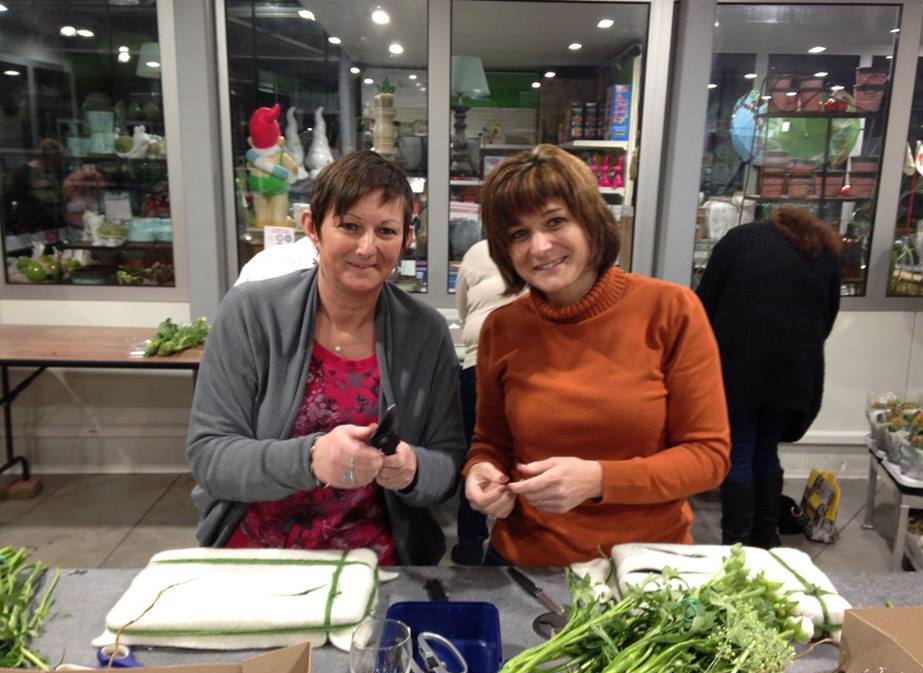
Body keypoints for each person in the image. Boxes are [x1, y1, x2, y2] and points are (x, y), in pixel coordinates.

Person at [188, 150, 465, 565]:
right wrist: (312, 458)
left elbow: (448, 461)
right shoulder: (251, 313)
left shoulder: (425, 332)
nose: (367, 247)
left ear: (407, 238)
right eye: (350, 226)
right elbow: (211, 458)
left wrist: (413, 470)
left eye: (386, 231)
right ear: (313, 229)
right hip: (257, 557)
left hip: (377, 561)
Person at [463, 144, 731, 567]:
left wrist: (599, 480)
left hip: (644, 566)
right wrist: (481, 472)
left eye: (555, 222)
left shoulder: (671, 310)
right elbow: (491, 442)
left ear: (590, 220)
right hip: (526, 562)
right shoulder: (503, 327)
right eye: (518, 234)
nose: (540, 247)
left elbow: (708, 457)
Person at [696, 208, 841, 549]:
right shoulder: (823, 252)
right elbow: (828, 315)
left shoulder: (739, 240)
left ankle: (736, 544)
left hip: (739, 365)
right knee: (766, 451)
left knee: (740, 451)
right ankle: (766, 537)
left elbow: (703, 303)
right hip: (794, 369)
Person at [451, 239, 524, 565]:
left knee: (478, 457)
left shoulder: (476, 250)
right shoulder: (545, 253)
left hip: (478, 365)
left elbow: (464, 310)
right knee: (528, 456)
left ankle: (469, 544)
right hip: (530, 368)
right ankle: (519, 540)